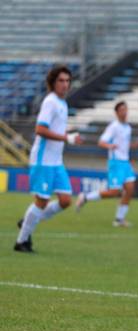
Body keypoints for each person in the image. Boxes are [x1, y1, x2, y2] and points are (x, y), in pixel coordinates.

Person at [14, 65, 83, 253]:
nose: (65, 84)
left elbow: (55, 129)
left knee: (65, 200)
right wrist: (67, 138)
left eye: (68, 80)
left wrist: (69, 135)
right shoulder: (50, 102)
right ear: (53, 82)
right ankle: (21, 242)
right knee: (42, 201)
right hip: (43, 160)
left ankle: (29, 220)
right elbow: (40, 130)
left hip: (56, 161)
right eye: (61, 80)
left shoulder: (62, 103)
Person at [75, 101, 138, 226]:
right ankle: (85, 197)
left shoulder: (127, 127)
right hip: (116, 163)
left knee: (130, 190)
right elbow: (101, 142)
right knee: (114, 192)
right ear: (117, 113)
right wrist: (110, 145)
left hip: (125, 163)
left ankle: (119, 219)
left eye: (126, 109)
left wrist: (135, 145)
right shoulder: (114, 126)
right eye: (122, 110)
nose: (125, 112)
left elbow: (124, 145)